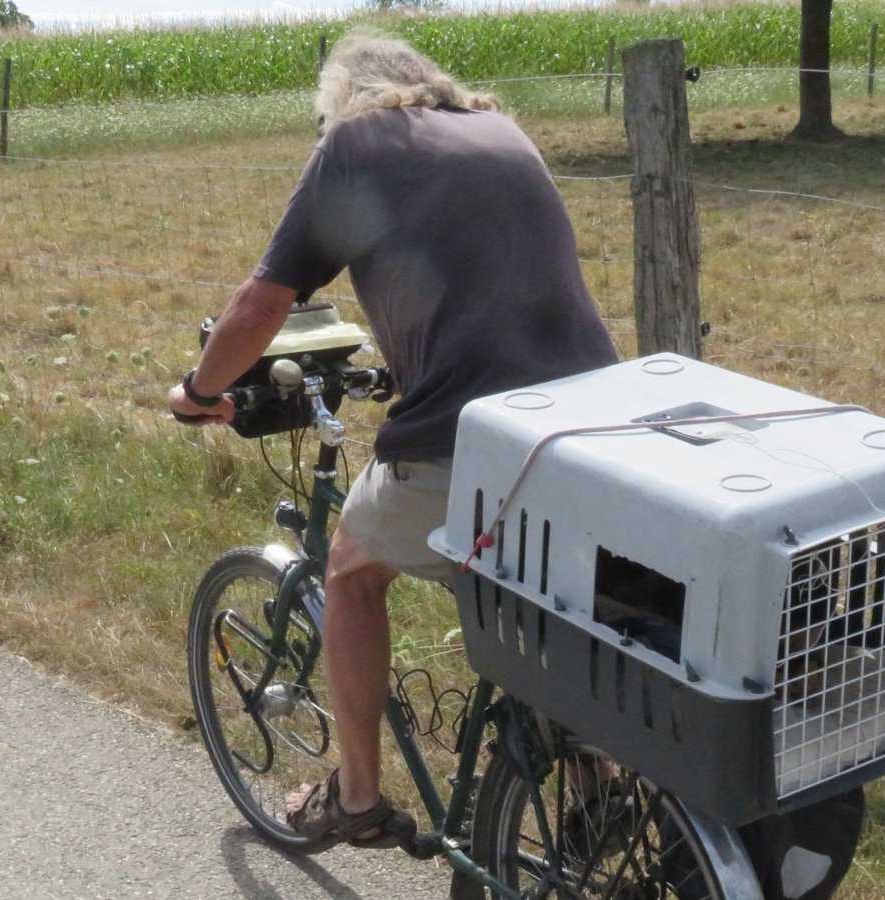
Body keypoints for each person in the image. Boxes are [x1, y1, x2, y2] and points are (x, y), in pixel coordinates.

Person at [167, 30, 619, 848]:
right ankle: (591, 782)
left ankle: (358, 798)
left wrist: (198, 392)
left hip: (479, 435)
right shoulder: (499, 127)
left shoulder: (355, 143)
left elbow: (261, 306)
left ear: (340, 99)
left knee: (348, 566)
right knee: (539, 593)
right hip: (593, 418)